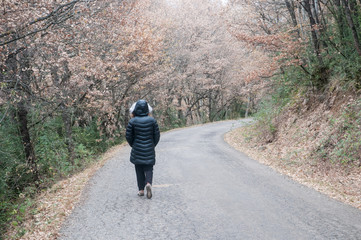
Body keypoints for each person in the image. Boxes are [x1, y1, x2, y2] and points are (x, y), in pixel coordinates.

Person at [126, 100, 160, 199]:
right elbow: (156, 135)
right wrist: (152, 144)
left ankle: (141, 190)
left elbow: (128, 136)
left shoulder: (132, 121)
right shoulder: (152, 120)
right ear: (147, 109)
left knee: (139, 169)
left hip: (137, 148)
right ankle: (148, 183)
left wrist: (133, 144)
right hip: (149, 147)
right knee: (149, 167)